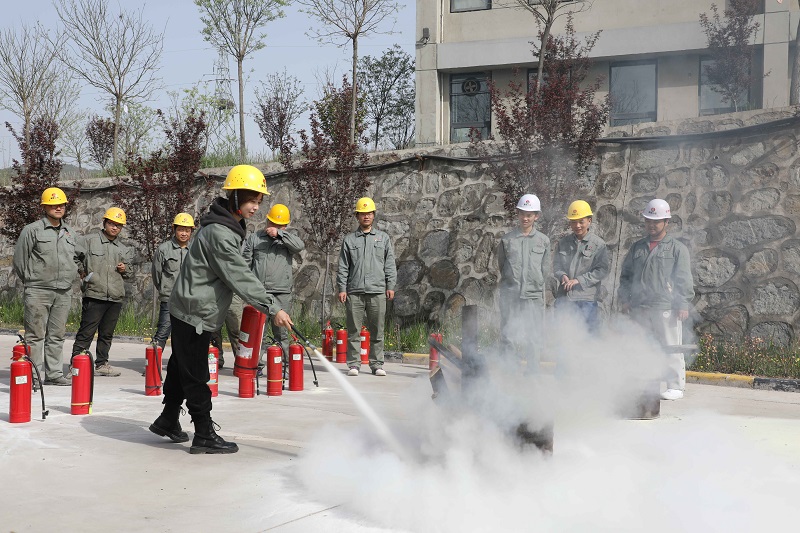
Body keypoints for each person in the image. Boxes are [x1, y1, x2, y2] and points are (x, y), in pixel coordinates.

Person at [149, 165, 293, 454]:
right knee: (196, 374)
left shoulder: (224, 225)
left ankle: (167, 420)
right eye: (252, 200)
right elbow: (240, 276)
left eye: (258, 201)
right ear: (236, 197)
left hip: (191, 307)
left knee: (180, 367)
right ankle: (203, 433)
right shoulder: (220, 234)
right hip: (194, 312)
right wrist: (272, 307)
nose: (255, 207)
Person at [618, 198, 694, 401]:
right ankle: (646, 384)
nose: (652, 225)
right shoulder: (637, 248)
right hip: (640, 307)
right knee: (643, 347)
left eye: (656, 221)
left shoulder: (677, 249)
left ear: (666, 222)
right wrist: (625, 299)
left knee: (671, 347)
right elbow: (626, 275)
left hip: (665, 306)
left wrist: (683, 303)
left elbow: (683, 278)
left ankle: (675, 385)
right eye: (648, 221)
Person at [12, 187, 81, 386]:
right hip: (38, 291)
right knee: (35, 336)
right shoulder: (32, 230)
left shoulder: (70, 233)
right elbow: (20, 260)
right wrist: (33, 281)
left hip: (63, 291)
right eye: (53, 205)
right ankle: (33, 376)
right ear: (44, 207)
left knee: (57, 335)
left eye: (61, 204)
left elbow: (74, 258)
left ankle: (54, 374)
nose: (58, 207)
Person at [337, 197, 396, 377]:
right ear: (357, 216)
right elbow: (343, 266)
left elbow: (389, 264)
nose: (366, 216)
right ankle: (354, 364)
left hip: (377, 290)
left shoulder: (383, 238)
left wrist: (390, 284)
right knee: (354, 330)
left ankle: (376, 364)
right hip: (354, 292)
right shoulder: (349, 240)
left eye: (369, 213)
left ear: (373, 215)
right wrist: (342, 288)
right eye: (362, 213)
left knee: (377, 329)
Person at [242, 204, 305, 374]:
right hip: (260, 292)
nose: (275, 228)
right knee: (258, 333)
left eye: (281, 225)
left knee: (282, 333)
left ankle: (283, 367)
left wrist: (281, 234)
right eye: (273, 224)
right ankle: (256, 366)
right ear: (267, 220)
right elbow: (244, 263)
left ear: (285, 226)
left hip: (281, 293)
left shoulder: (287, 240)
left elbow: (299, 246)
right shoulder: (255, 238)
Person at [72, 207, 133, 377]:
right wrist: (83, 273)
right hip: (94, 293)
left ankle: (102, 363)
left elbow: (131, 272)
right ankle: (76, 364)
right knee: (86, 332)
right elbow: (73, 256)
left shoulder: (122, 247)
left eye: (119, 226)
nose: (115, 228)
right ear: (104, 222)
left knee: (107, 334)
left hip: (115, 295)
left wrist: (125, 269)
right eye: (112, 224)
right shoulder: (89, 240)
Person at [497, 194, 551, 371]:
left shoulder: (543, 241)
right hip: (511, 295)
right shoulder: (507, 240)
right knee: (508, 334)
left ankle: (533, 374)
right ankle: (509, 372)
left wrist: (535, 284)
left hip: (533, 296)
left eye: (530, 214)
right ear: (518, 214)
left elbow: (545, 268)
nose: (526, 218)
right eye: (522, 213)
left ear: (537, 216)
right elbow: (502, 266)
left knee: (533, 336)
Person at [553, 200, 610, 331]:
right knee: (563, 336)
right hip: (565, 298)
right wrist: (562, 276)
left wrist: (579, 280)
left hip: (586, 299)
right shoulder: (563, 243)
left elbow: (602, 270)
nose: (577, 225)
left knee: (587, 339)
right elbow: (557, 265)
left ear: (589, 221)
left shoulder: (598, 244)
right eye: (573, 222)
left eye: (581, 221)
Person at [151, 213, 194, 350]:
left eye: (187, 230)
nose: (184, 233)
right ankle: (153, 367)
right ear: (174, 229)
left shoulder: (195, 250)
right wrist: (165, 289)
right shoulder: (164, 249)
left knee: (184, 335)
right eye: (181, 229)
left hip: (189, 299)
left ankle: (180, 367)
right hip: (169, 298)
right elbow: (156, 274)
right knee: (163, 331)